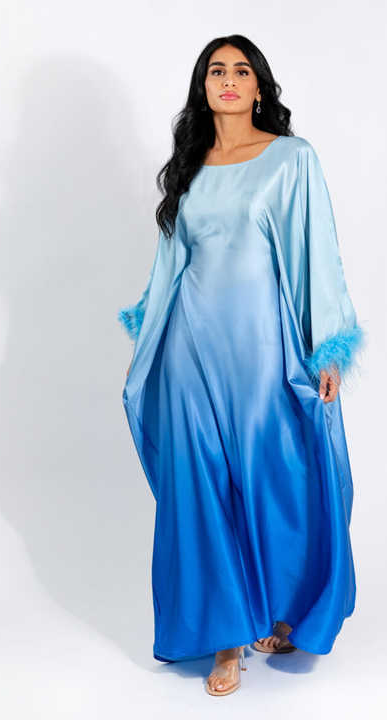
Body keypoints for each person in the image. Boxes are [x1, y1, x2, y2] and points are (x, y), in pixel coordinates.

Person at [119, 34, 365, 696]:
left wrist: (327, 345)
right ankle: (227, 638)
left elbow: (318, 252)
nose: (228, 80)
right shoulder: (189, 168)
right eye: (216, 71)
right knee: (199, 484)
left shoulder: (291, 159)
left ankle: (284, 608)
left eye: (242, 70)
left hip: (262, 349)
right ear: (203, 87)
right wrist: (148, 337)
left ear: (260, 87)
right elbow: (171, 263)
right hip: (189, 350)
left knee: (275, 473)